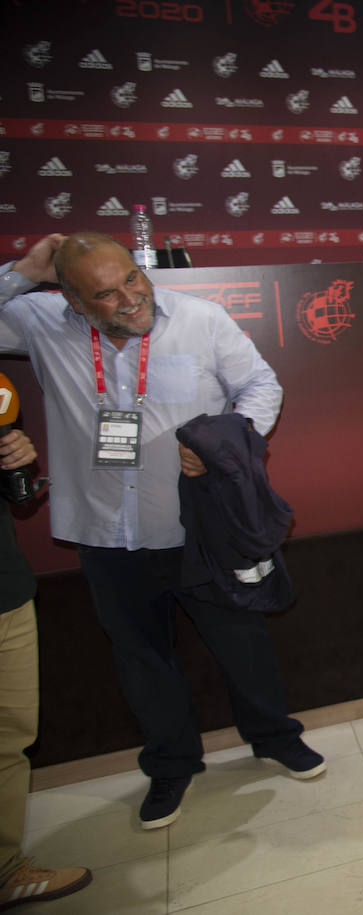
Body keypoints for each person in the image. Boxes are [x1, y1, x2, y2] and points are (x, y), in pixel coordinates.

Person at [0, 233, 324, 832]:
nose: (129, 298)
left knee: (242, 640)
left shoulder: (200, 319)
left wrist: (223, 443)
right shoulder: (37, 321)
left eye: (132, 278)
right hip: (104, 532)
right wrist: (21, 273)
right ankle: (172, 763)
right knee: (142, 656)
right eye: (105, 292)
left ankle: (275, 736)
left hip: (196, 526)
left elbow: (261, 386)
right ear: (70, 299)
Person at [0, 428, 92, 907]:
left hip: (6, 591)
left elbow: (17, 500)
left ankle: (5, 870)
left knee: (10, 740)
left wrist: (14, 462)